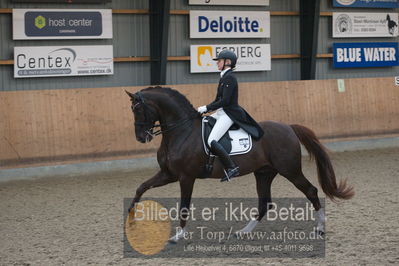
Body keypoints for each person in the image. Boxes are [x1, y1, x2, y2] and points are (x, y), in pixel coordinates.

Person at [197, 50, 264, 182]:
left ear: (227, 62)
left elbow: (225, 101)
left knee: (212, 140)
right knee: (204, 122)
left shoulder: (230, 78)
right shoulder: (223, 77)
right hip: (221, 112)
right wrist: (205, 110)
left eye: (219, 61)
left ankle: (231, 167)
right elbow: (218, 100)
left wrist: (207, 107)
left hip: (230, 114)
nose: (217, 63)